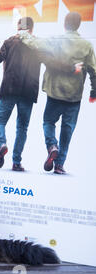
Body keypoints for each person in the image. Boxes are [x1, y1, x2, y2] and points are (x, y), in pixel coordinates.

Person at [0, 17, 78, 172]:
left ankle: (2, 144)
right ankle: (16, 162)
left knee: (0, 121)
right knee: (22, 127)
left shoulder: (9, 42)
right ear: (31, 29)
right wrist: (72, 68)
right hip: (28, 92)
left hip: (9, 90)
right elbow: (53, 62)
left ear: (18, 28)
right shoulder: (37, 45)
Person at [20, 12, 96, 174]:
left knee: (48, 122)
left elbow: (35, 44)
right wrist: (93, 92)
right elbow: (94, 71)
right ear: (78, 25)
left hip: (54, 93)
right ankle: (59, 165)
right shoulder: (87, 46)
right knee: (67, 130)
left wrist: (23, 35)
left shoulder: (55, 41)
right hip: (74, 96)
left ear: (64, 24)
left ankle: (52, 146)